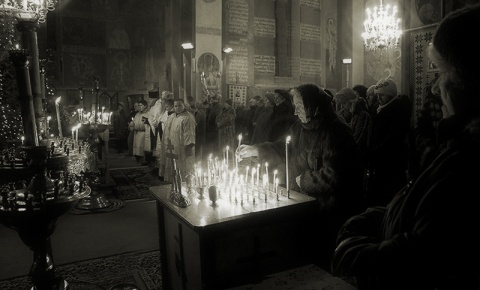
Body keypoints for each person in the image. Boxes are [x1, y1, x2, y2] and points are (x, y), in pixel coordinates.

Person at [332, 5, 480, 290]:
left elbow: (417, 260)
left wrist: (349, 245)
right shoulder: (454, 148)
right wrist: (383, 215)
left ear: (471, 79)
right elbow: (417, 209)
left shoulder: (466, 166)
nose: (435, 88)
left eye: (443, 72)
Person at [236, 83, 365, 267]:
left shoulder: (335, 131)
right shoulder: (301, 127)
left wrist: (303, 180)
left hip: (330, 212)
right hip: (306, 204)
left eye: (299, 106)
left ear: (313, 106)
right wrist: (255, 150)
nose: (295, 112)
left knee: (323, 259)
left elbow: (336, 175)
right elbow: (282, 147)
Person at [365, 78, 411, 206]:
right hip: (377, 162)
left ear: (391, 94)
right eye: (377, 95)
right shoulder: (377, 109)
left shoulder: (398, 111)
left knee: (388, 198)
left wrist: (373, 152)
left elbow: (393, 139)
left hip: (391, 163)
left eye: (382, 95)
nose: (378, 98)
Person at [162, 99, 196, 182]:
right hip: (173, 146)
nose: (177, 108)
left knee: (184, 165)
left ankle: (184, 182)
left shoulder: (188, 117)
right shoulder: (173, 116)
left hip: (183, 147)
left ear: (184, 105)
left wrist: (188, 146)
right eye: (175, 106)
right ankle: (174, 181)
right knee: (174, 164)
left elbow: (189, 133)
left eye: (180, 105)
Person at [186, 95, 206, 164]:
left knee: (198, 149)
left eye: (197, 104)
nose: (195, 104)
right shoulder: (201, 112)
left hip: (199, 133)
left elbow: (196, 123)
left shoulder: (200, 113)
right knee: (199, 148)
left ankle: (197, 162)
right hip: (200, 133)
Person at [132, 100, 148, 165]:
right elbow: (134, 122)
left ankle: (143, 160)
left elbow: (144, 124)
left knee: (142, 147)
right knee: (136, 148)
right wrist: (132, 125)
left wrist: (139, 126)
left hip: (143, 133)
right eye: (138, 105)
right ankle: (138, 159)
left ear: (145, 106)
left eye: (141, 105)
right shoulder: (137, 114)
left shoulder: (146, 114)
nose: (139, 107)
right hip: (136, 133)